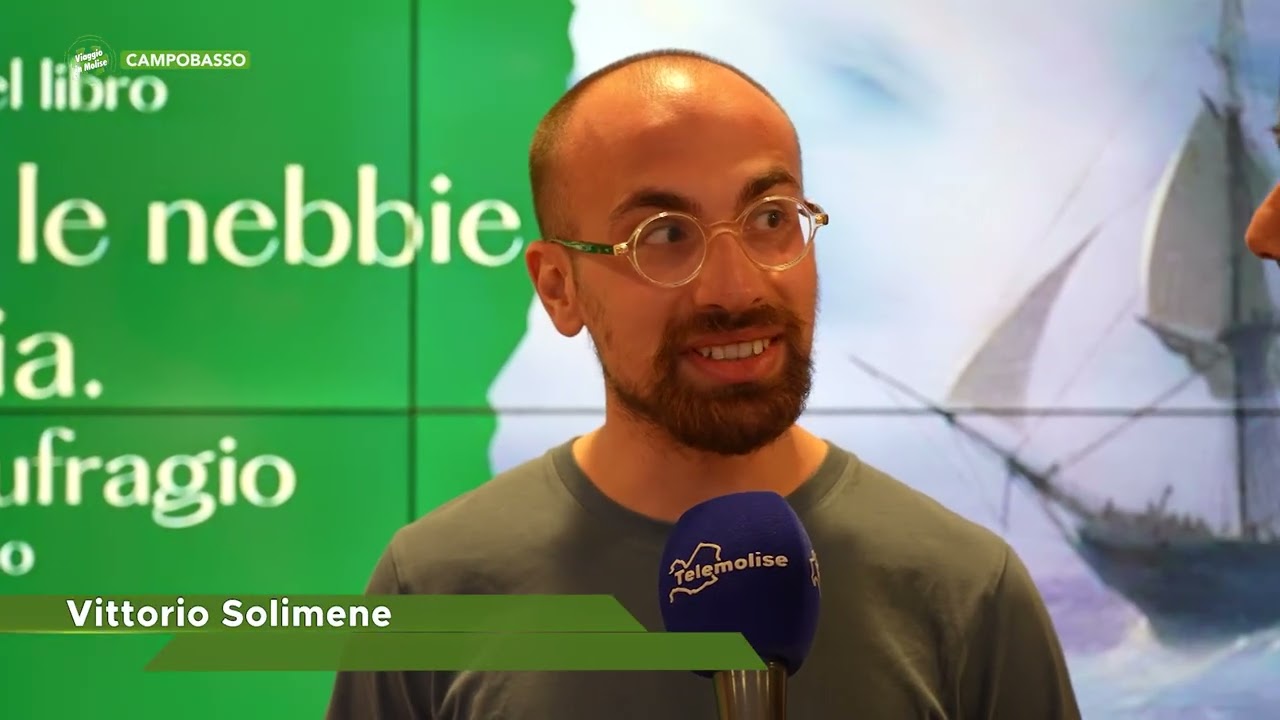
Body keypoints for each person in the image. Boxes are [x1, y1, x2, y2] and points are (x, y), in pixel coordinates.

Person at [326, 49, 1081, 719]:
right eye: (664, 235)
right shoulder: (433, 586)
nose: (736, 286)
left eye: (771, 219)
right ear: (558, 287)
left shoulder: (967, 590)